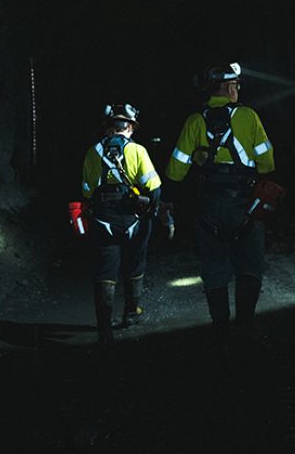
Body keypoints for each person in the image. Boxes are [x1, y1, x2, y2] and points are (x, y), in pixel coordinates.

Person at [162, 62, 275, 342]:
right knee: (250, 265)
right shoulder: (248, 116)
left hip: (208, 207)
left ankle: (221, 330)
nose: (237, 90)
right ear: (228, 87)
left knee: (214, 268)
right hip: (245, 205)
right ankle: (246, 326)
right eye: (236, 85)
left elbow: (175, 170)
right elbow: (267, 163)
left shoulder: (194, 121)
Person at [80, 103, 162, 343]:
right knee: (135, 263)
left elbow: (87, 191)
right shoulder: (138, 151)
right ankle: (130, 313)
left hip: (104, 219)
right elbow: (154, 187)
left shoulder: (93, 152)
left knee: (106, 269)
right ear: (130, 127)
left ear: (107, 128)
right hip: (133, 219)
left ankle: (104, 327)